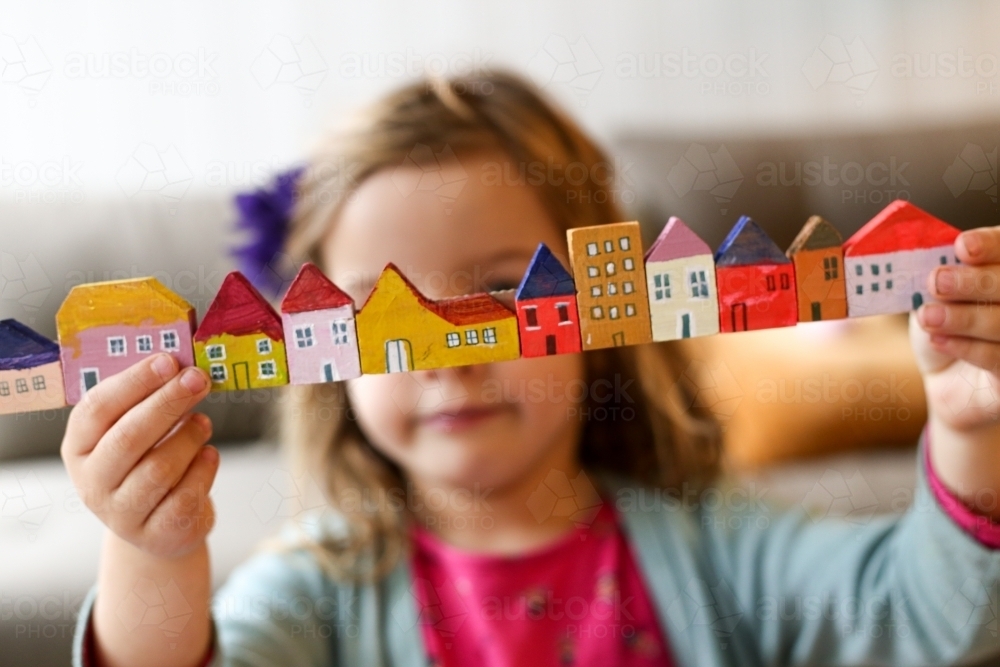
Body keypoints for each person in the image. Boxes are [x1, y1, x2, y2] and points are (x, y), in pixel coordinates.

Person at [63, 71, 1000, 667]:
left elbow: (915, 616)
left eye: (504, 291)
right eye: (378, 311)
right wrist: (154, 547)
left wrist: (971, 428)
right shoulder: (321, 587)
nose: (449, 357)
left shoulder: (716, 543)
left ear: (601, 308)